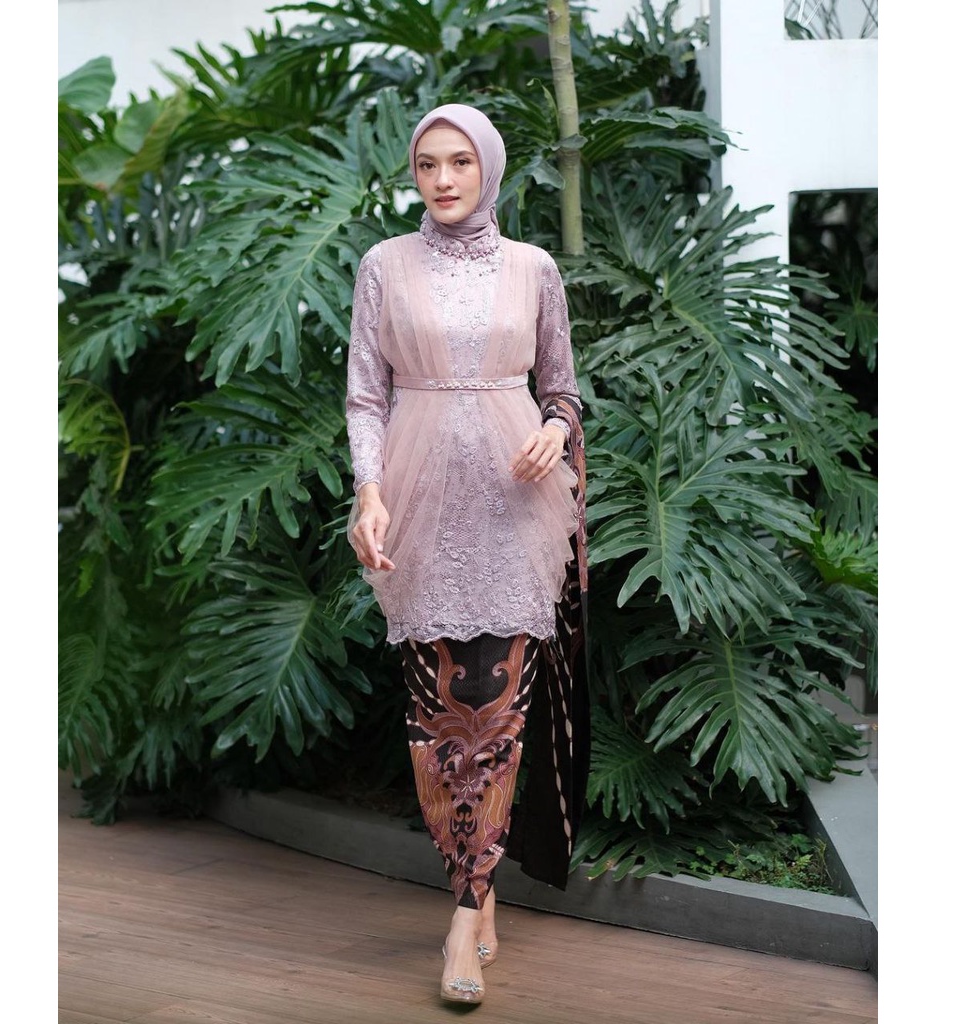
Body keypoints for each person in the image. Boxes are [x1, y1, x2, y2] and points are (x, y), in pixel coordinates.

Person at [345, 102, 590, 1006]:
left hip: (516, 505)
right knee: (437, 719)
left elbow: (562, 391)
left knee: (500, 713)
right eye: (427, 164)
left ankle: (463, 917)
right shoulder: (384, 265)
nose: (443, 179)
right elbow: (365, 397)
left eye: (460, 162)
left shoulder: (533, 268)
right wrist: (369, 491)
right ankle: (477, 890)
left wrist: (555, 432)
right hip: (415, 504)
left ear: (488, 167)